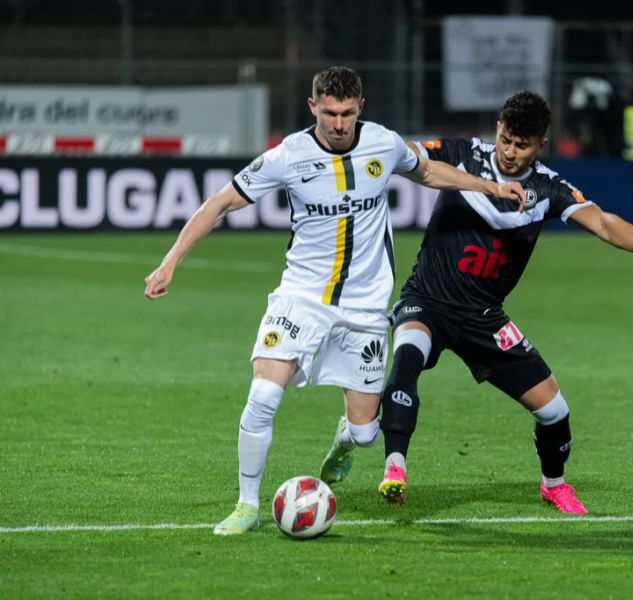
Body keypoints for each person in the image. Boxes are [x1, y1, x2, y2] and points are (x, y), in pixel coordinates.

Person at [143, 66, 525, 535]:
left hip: (365, 308)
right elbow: (219, 204)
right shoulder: (289, 156)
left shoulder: (383, 144)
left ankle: (343, 442)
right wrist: (169, 262)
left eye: (347, 112)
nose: (339, 123)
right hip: (301, 296)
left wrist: (487, 186)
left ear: (360, 107)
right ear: (313, 108)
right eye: (329, 113)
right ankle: (247, 505)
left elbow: (426, 170)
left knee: (366, 432)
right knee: (263, 395)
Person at [376, 91, 633, 513]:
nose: (510, 153)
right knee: (406, 359)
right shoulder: (462, 154)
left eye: (522, 145)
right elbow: (410, 156)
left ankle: (553, 484)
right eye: (507, 139)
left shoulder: (547, 187)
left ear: (541, 145)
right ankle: (395, 468)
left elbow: (602, 222)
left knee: (554, 410)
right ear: (498, 128)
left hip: (485, 320)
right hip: (427, 301)